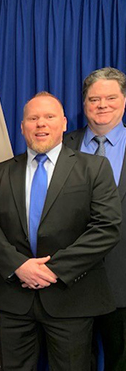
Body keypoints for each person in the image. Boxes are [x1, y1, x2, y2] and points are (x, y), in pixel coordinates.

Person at [0, 92, 121, 370]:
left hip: (72, 298)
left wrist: (54, 269)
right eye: (33, 118)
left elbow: (107, 227)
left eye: (49, 117)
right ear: (22, 126)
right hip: (12, 298)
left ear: (64, 123)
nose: (41, 124)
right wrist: (19, 266)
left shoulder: (94, 168)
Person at [64, 67, 126, 370]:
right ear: (84, 103)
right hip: (70, 283)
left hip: (123, 281)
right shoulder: (60, 145)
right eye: (94, 99)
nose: (102, 105)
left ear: (124, 101)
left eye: (111, 98)